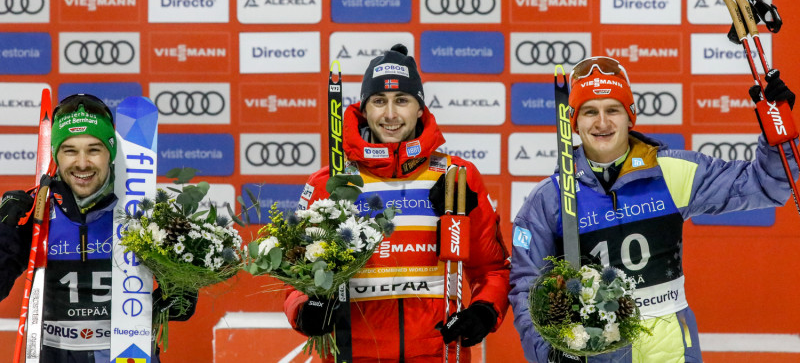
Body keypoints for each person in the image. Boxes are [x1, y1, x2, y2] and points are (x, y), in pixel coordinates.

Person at [509, 56, 797, 363]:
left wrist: (777, 127)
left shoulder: (671, 172)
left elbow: (768, 184)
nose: (602, 122)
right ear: (574, 123)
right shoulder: (550, 198)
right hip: (595, 353)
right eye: (590, 111)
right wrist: (552, 354)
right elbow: (526, 286)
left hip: (672, 352)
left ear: (630, 115)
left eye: (613, 110)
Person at [283, 44, 511, 362]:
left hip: (438, 355)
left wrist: (485, 311)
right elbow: (294, 274)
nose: (390, 114)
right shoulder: (330, 182)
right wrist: (305, 308)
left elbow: (493, 269)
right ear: (364, 109)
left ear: (419, 108)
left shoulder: (456, 179)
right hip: (353, 354)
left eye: (401, 100)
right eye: (379, 101)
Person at [0, 94, 194, 362]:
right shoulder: (38, 212)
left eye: (94, 149)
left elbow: (180, 308)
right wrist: (4, 234)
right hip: (57, 355)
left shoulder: (142, 212)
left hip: (126, 353)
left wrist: (181, 289)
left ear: (110, 154)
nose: (82, 163)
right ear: (57, 155)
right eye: (70, 151)